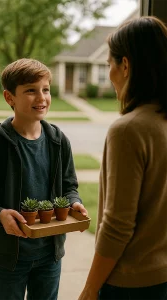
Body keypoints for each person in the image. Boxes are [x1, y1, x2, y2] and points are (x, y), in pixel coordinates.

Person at [0, 58, 87, 300]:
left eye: (45, 89)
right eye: (30, 91)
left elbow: (69, 186)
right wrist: (1, 214)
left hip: (50, 256)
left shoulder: (58, 141)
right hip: (9, 259)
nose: (41, 97)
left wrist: (74, 202)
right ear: (9, 97)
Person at [78, 16, 167, 300]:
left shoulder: (128, 130)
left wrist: (90, 289)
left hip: (132, 285)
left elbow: (117, 225)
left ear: (125, 65)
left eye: (109, 66)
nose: (111, 74)